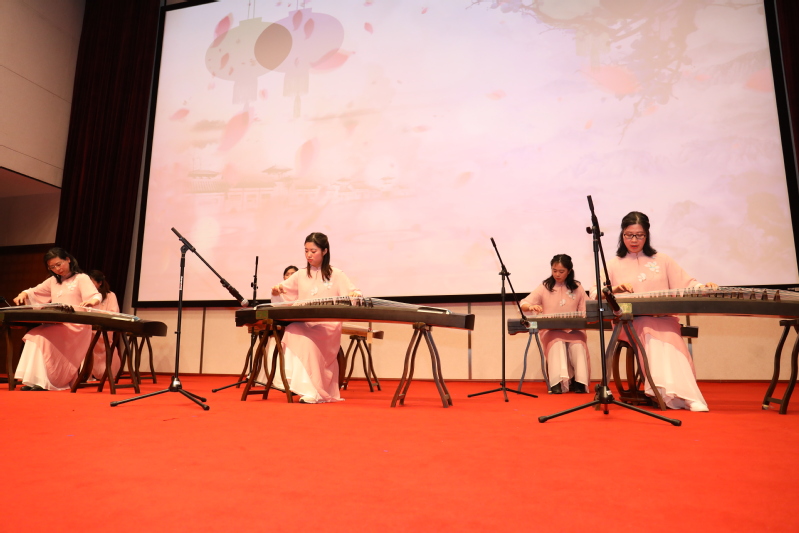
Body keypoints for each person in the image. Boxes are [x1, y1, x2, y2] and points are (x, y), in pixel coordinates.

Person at [597, 211, 717, 412]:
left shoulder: (662, 260)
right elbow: (595, 291)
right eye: (629, 235)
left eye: (639, 235)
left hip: (664, 319)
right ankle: (662, 390)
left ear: (647, 235)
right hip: (630, 322)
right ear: (622, 234)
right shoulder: (613, 264)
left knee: (671, 336)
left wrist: (704, 287)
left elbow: (686, 283)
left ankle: (687, 395)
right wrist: (614, 289)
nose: (634, 240)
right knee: (648, 328)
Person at [271, 233, 360, 403]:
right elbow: (283, 292)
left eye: (313, 251)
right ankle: (304, 388)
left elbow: (352, 293)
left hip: (327, 326)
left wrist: (354, 295)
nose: (309, 255)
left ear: (324, 251)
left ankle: (314, 392)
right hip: (306, 323)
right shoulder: (300, 274)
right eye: (306, 251)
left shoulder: (337, 274)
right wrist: (277, 290)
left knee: (307, 341)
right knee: (292, 330)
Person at [12, 248, 101, 391]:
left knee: (40, 336)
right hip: (59, 324)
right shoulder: (53, 281)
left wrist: (91, 302)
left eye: (59, 264)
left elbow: (95, 295)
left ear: (68, 259)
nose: (57, 269)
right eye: (52, 267)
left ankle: (48, 381)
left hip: (77, 326)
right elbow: (34, 291)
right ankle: (35, 380)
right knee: (34, 334)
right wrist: (23, 294)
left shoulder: (81, 278)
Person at [520, 254, 590, 394]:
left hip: (574, 329)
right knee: (557, 342)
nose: (557, 274)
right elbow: (524, 303)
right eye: (554, 270)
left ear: (569, 271)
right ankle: (557, 382)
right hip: (551, 330)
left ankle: (580, 382)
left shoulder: (577, 287)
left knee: (578, 344)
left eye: (561, 271)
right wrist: (532, 307)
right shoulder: (545, 287)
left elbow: (587, 308)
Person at [88, 270, 121, 380]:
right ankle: (86, 373)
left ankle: (104, 372)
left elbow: (113, 313)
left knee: (103, 342)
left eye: (91, 282)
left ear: (100, 283)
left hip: (104, 328)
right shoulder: (85, 295)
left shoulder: (110, 295)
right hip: (89, 328)